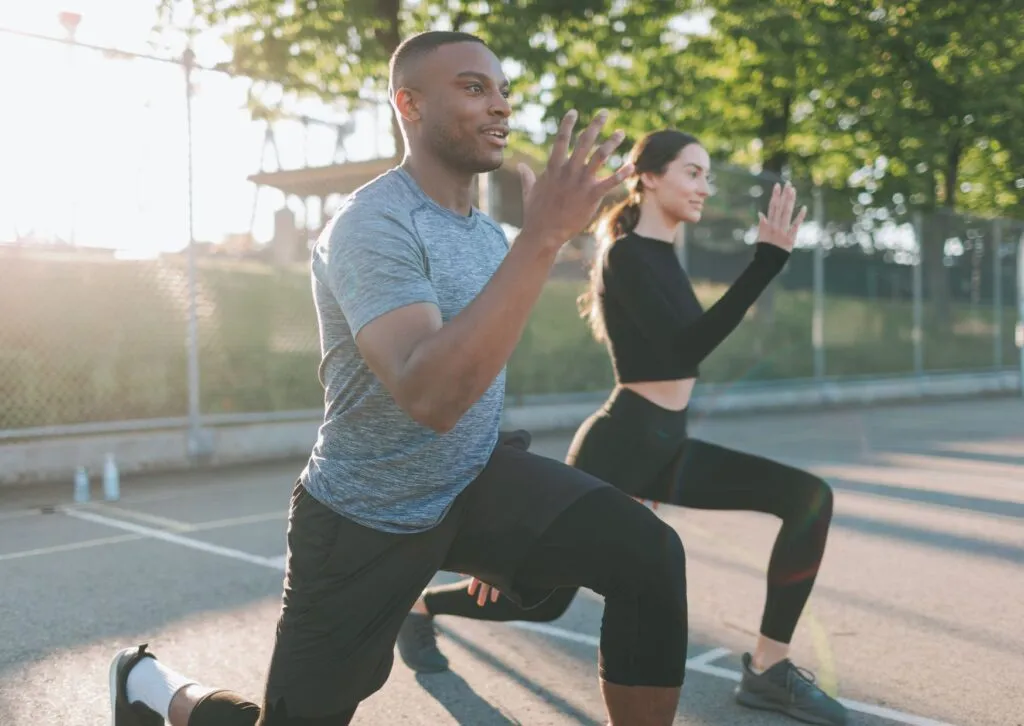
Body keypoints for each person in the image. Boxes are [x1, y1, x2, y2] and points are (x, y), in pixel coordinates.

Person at [108, 31, 698, 726]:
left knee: (650, 555)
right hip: (366, 516)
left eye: (504, 90)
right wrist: (543, 238)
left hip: (472, 485)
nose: (500, 105)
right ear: (409, 104)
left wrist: (503, 522)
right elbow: (430, 395)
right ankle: (152, 688)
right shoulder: (371, 224)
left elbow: (480, 373)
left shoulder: (485, 237)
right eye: (475, 88)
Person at [397, 129, 849, 726]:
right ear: (650, 176)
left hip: (669, 444)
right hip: (621, 444)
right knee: (541, 601)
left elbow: (684, 351)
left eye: (707, 175)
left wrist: (765, 262)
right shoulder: (626, 255)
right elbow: (685, 349)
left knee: (808, 497)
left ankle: (767, 669)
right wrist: (765, 262)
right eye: (692, 172)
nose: (704, 187)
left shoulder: (663, 258)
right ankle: (421, 607)